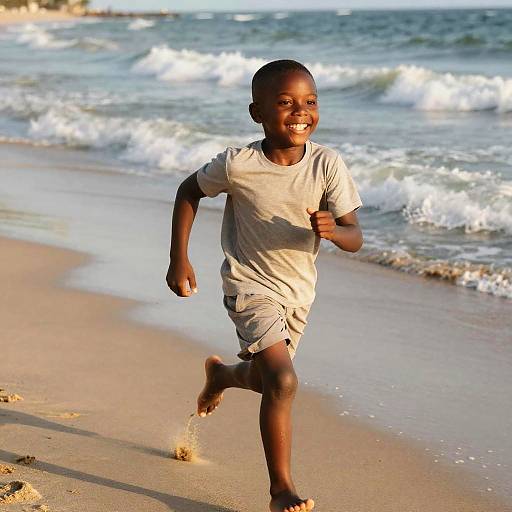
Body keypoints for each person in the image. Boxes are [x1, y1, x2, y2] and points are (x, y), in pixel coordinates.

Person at [166, 59, 363, 512]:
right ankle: (281, 492)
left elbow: (355, 237)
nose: (300, 112)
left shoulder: (328, 165)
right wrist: (180, 258)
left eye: (310, 102)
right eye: (285, 102)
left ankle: (221, 376)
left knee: (266, 380)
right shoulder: (239, 164)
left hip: (298, 293)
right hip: (248, 285)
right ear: (257, 113)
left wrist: (334, 230)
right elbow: (188, 191)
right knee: (285, 380)